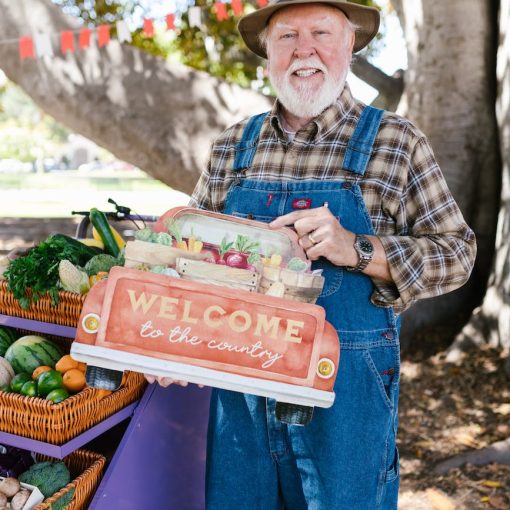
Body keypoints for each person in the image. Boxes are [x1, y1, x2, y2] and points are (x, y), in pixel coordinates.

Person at [150, 0, 477, 508]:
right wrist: (171, 343)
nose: (305, 50)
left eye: (321, 33)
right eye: (287, 37)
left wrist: (357, 248)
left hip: (345, 397)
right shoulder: (232, 147)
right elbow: (186, 259)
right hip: (241, 393)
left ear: (349, 45)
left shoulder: (395, 142)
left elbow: (457, 254)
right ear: (268, 55)